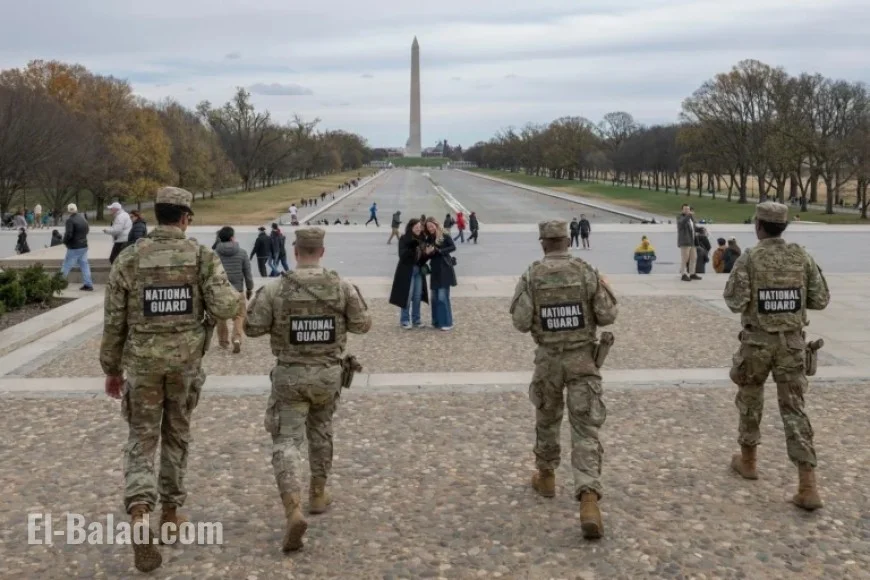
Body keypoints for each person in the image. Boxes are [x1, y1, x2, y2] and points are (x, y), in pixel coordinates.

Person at [100, 186, 239, 572]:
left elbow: (113, 323)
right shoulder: (200, 255)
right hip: (184, 365)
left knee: (142, 438)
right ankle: (171, 513)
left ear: (157, 214)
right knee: (176, 434)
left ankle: (141, 513)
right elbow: (226, 305)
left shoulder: (129, 258)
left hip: (142, 364)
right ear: (185, 218)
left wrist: (111, 369)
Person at [244, 227, 372, 552]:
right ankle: (318, 493)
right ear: (323, 251)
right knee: (322, 431)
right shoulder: (340, 286)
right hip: (328, 375)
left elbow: (252, 328)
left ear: (295, 251)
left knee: (287, 440)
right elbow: (362, 324)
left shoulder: (276, 288)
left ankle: (293, 508)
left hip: (290, 375)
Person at [510, 220, 618, 540]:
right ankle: (588, 500)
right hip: (582, 359)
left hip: (548, 362)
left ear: (543, 243)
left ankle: (546, 477)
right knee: (585, 429)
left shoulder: (532, 275)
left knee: (547, 419)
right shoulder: (586, 272)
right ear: (567, 240)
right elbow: (607, 315)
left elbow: (519, 322)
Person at [723, 201, 830, 511]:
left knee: (750, 399)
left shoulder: (750, 258)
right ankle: (807, 484)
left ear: (758, 225)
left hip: (757, 343)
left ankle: (749, 461)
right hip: (792, 345)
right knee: (795, 409)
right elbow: (820, 298)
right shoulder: (801, 256)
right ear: (784, 226)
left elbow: (733, 300)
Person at [213, 226, 254, 354]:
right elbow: (247, 273)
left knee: (221, 317)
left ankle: (223, 342)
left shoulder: (214, 253)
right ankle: (236, 338)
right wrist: (249, 288)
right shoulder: (242, 253)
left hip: (220, 290)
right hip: (238, 290)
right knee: (239, 315)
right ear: (232, 238)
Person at [389, 219, 430, 328]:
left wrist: (428, 254)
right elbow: (402, 255)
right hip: (407, 270)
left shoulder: (422, 238)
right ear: (411, 227)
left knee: (417, 296)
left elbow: (423, 257)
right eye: (415, 226)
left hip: (418, 270)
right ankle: (405, 320)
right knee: (407, 295)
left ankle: (416, 319)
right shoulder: (404, 238)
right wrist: (413, 246)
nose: (418, 228)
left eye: (419, 226)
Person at [424, 218, 457, 330]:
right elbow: (428, 255)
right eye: (428, 227)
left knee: (443, 297)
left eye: (431, 226)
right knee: (434, 297)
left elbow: (453, 247)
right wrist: (427, 253)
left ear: (436, 224)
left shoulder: (444, 234)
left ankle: (447, 323)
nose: (430, 228)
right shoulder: (429, 238)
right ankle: (436, 321)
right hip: (435, 269)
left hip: (444, 268)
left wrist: (440, 251)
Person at [61, 203, 93, 291]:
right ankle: (88, 284)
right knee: (84, 265)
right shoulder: (83, 218)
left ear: (68, 210)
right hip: (83, 245)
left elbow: (69, 234)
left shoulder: (70, 220)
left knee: (66, 265)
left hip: (74, 246)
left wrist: (64, 241)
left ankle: (59, 282)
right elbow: (87, 230)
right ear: (76, 209)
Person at [677, 204, 700, 281]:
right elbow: (682, 223)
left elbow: (694, 228)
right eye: (685, 209)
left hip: (692, 241)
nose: (687, 210)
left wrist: (701, 229)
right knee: (685, 258)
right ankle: (683, 274)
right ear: (682, 210)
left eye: (688, 209)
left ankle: (692, 273)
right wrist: (689, 215)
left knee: (694, 257)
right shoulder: (680, 217)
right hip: (685, 241)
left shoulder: (691, 218)